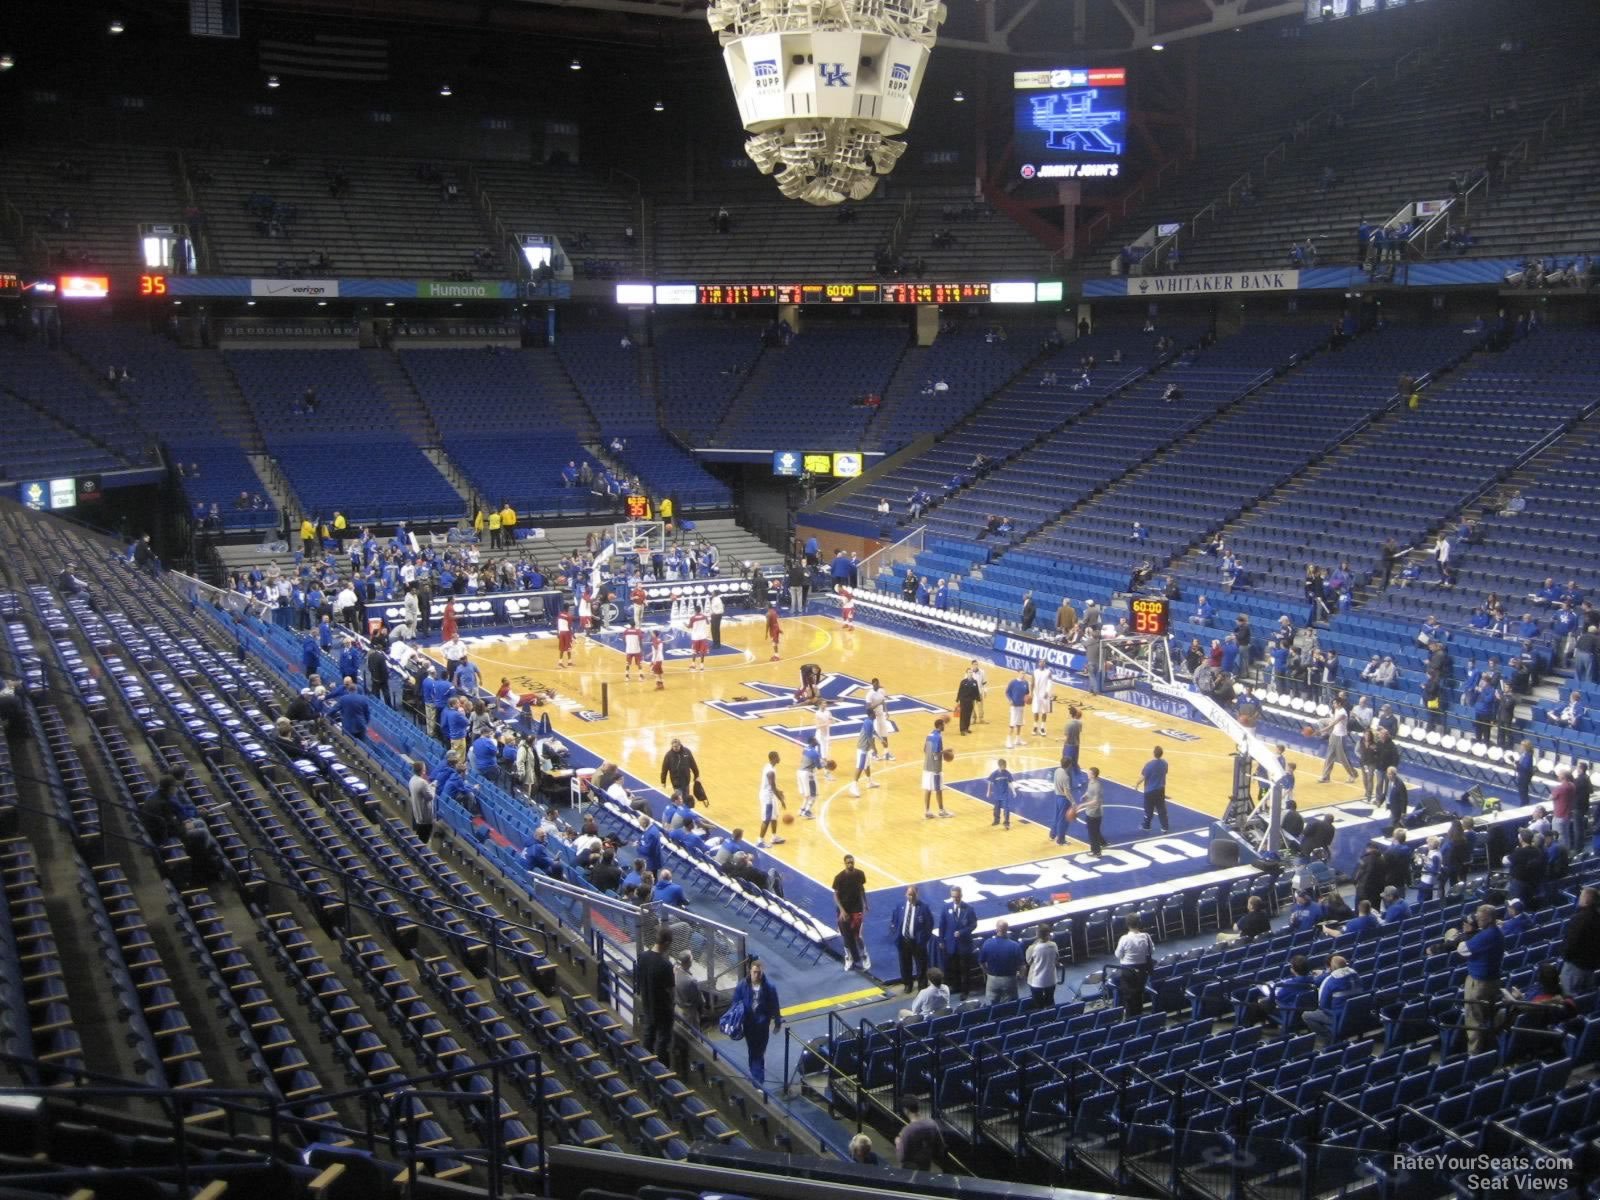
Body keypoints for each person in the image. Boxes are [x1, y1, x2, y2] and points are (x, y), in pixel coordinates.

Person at [1458, 903, 1504, 1053]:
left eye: (1481, 918)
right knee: (1486, 1016)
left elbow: (1463, 949)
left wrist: (1464, 939)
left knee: (1474, 1020)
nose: (1477, 920)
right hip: (1493, 979)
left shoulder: (1486, 936)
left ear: (1490, 918)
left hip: (1479, 983)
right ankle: (1487, 1050)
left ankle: (1474, 1055)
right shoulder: (1496, 932)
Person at [730, 959, 782, 1085]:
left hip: (763, 1026)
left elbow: (775, 1005)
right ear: (750, 971)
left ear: (762, 972)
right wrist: (735, 1022)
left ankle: (757, 1078)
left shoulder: (769, 988)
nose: (756, 975)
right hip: (748, 1025)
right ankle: (757, 1077)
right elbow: (735, 1004)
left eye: (759, 972)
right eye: (754, 972)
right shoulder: (742, 985)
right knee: (754, 1051)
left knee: (759, 1052)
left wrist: (777, 1022)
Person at [634, 929, 677, 1063]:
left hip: (647, 1002)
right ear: (667, 943)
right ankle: (662, 1070)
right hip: (663, 1008)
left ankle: (646, 1065)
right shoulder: (665, 965)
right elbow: (671, 990)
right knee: (663, 1041)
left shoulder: (642, 957)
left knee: (649, 1035)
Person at [1302, 955, 1361, 1040]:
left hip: (1338, 1016)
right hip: (1356, 1015)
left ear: (1331, 968)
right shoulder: (1356, 976)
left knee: (1306, 1015)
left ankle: (1330, 1037)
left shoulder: (1330, 981)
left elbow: (1323, 1005)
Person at [890, 885, 934, 994]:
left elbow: (929, 925)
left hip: (918, 942)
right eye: (909, 895)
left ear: (917, 895)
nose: (911, 897)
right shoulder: (900, 906)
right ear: (905, 894)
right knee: (905, 964)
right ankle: (907, 984)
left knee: (921, 965)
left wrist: (923, 939)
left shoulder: (924, 908)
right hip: (903, 941)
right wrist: (895, 934)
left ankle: (922, 985)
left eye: (913, 895)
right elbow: (894, 921)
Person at [1559, 887, 1600, 996]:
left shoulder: (1579, 919)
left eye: (1581, 896)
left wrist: (1566, 956)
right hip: (1591, 966)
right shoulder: (1597, 917)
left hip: (1575, 966)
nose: (1579, 899)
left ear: (1586, 901)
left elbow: (1571, 942)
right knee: (1586, 997)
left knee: (1570, 998)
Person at [1112, 913, 1154, 1016]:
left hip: (1128, 972)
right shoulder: (1146, 936)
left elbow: (1118, 955)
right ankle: (1138, 1016)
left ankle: (1131, 1019)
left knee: (1129, 997)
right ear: (1139, 923)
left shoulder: (1124, 939)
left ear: (1127, 925)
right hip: (1142, 972)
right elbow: (1151, 951)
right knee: (1139, 994)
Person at [833, 853, 870, 971]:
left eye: (852, 862)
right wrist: (842, 911)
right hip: (843, 910)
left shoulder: (860, 874)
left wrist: (865, 903)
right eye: (848, 863)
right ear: (844, 863)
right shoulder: (839, 877)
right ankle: (849, 958)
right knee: (846, 936)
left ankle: (864, 956)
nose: (850, 864)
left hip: (856, 909)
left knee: (857, 935)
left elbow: (861, 889)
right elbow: (836, 896)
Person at [939, 886, 977, 997]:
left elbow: (973, 924)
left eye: (957, 897)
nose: (955, 899)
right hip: (951, 944)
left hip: (964, 944)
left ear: (961, 896)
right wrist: (941, 940)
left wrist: (962, 932)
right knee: (953, 967)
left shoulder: (969, 909)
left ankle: (965, 991)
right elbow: (942, 925)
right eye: (953, 897)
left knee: (964, 969)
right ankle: (956, 987)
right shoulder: (946, 908)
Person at [978, 920, 1023, 1004]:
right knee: (1011, 1005)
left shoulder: (987, 943)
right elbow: (1021, 965)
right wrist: (1021, 976)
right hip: (1009, 979)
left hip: (992, 979)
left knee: (992, 1004)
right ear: (1007, 930)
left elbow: (981, 962)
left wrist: (987, 972)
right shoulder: (1015, 945)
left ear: (996, 930)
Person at [895, 1097, 944, 1172]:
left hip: (909, 1169)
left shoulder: (907, 1130)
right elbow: (940, 1145)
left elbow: (901, 1157)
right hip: (926, 1165)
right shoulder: (932, 1124)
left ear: (906, 1110)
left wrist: (898, 1143)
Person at [756, 750, 786, 848]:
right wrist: (781, 800)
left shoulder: (770, 767)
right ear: (773, 758)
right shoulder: (771, 772)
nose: (779, 758)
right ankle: (760, 841)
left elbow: (771, 786)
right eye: (778, 757)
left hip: (771, 794)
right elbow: (772, 787)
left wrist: (779, 791)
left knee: (774, 817)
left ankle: (774, 837)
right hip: (767, 797)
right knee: (767, 819)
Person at [1025, 924, 1059, 1009]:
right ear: (1048, 934)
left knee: (1038, 1004)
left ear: (1037, 934)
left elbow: (1028, 962)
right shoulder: (1054, 945)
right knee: (1050, 1001)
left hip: (1036, 981)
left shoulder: (1032, 948)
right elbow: (1056, 958)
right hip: (1051, 979)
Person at [921, 719, 949, 818]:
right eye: (943, 724)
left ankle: (927, 812)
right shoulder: (938, 737)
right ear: (939, 725)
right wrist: (946, 752)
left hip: (926, 766)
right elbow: (936, 754)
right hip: (935, 768)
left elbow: (925, 750)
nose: (944, 726)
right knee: (939, 789)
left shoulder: (929, 735)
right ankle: (941, 811)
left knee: (928, 789)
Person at [1140, 746, 1170, 833]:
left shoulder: (1149, 765)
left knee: (1148, 809)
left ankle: (1146, 826)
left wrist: (1137, 784)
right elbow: (1165, 772)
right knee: (1161, 809)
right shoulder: (1165, 763)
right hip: (1160, 789)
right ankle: (1165, 827)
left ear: (1154, 753)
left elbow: (1143, 777)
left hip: (1150, 791)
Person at [407, 759, 437, 844]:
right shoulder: (422, 783)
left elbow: (422, 791)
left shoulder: (412, 779)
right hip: (425, 816)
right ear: (422, 771)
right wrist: (433, 786)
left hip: (417, 812)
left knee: (420, 835)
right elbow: (430, 797)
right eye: (424, 768)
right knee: (423, 840)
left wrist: (429, 786)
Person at [1079, 766, 1105, 855]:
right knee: (1094, 830)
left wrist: (1083, 805)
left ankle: (1096, 851)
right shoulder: (1091, 782)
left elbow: (1095, 801)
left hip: (1094, 813)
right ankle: (1103, 842)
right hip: (1090, 811)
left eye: (1089, 773)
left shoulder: (1097, 786)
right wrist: (1085, 795)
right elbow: (1089, 791)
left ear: (1093, 775)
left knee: (1092, 833)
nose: (1087, 773)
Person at [1004, 669, 1030, 749]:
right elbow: (1007, 692)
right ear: (1018, 673)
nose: (1023, 675)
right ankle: (1008, 741)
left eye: (1024, 673)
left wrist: (1028, 699)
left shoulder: (1026, 683)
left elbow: (1027, 693)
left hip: (1021, 705)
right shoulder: (1013, 682)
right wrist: (1010, 700)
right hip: (1014, 706)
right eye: (1022, 673)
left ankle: (1017, 739)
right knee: (1012, 724)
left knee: (1019, 723)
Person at [956, 669, 980, 735]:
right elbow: (960, 691)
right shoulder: (963, 682)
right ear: (966, 673)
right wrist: (957, 700)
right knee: (963, 715)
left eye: (971, 672)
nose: (971, 673)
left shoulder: (975, 682)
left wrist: (978, 699)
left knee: (969, 715)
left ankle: (966, 728)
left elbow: (976, 691)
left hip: (970, 701)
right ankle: (962, 730)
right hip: (963, 701)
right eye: (969, 672)